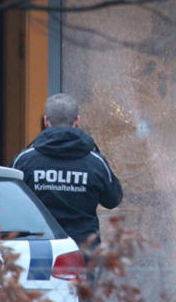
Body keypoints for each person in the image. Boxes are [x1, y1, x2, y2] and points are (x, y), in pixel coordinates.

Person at [11, 93, 123, 247]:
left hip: (39, 250)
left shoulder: (24, 161)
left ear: (45, 121)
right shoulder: (95, 162)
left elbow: (11, 203)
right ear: (77, 121)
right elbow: (113, 200)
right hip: (84, 252)